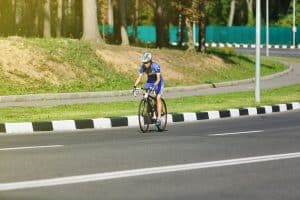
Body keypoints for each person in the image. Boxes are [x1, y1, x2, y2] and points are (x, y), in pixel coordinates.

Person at [133, 52, 164, 127]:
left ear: (150, 61)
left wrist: (154, 86)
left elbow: (158, 79)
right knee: (145, 95)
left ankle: (159, 118)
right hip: (149, 81)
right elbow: (139, 78)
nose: (145, 64)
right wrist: (134, 86)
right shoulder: (143, 67)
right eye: (144, 63)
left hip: (158, 82)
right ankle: (150, 110)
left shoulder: (156, 66)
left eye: (146, 62)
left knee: (158, 97)